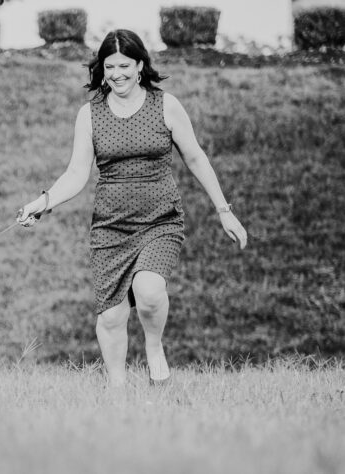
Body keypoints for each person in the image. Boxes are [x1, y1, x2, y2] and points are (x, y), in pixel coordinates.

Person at [17, 29, 247, 387]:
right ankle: (118, 393)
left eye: (125, 65)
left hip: (160, 221)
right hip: (111, 228)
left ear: (140, 65)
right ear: (102, 69)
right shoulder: (89, 115)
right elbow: (76, 174)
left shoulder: (165, 105)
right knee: (111, 317)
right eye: (110, 66)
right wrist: (42, 203)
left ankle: (154, 347)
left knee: (150, 291)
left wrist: (224, 209)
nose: (117, 73)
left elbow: (196, 158)